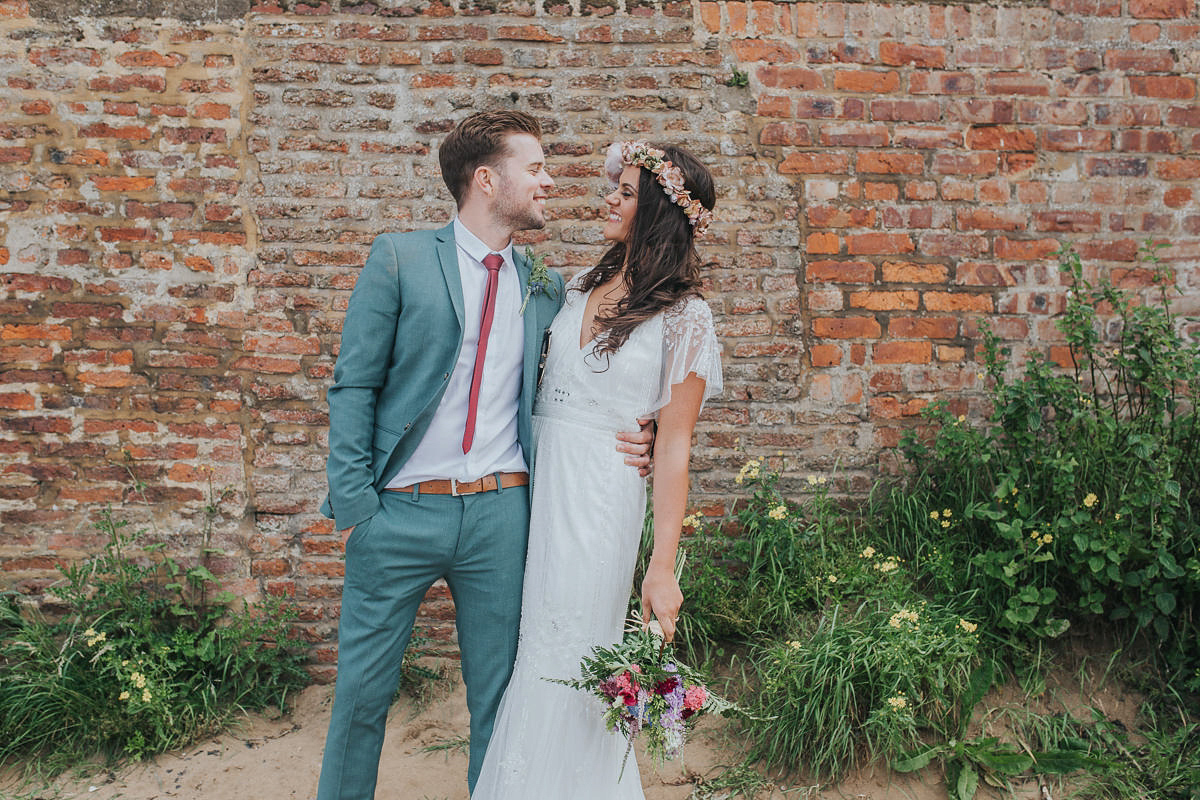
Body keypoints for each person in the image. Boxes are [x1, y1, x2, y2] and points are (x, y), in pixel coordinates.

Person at [316, 111, 653, 800]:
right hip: (398, 515)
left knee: (500, 703)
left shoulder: (548, 286)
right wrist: (356, 510)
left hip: (503, 517)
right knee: (361, 698)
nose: (549, 181)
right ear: (485, 178)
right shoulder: (400, 258)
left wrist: (639, 425)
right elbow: (353, 386)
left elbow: (588, 375)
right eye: (535, 168)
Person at [471, 141, 721, 799]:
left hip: (602, 498)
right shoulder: (578, 285)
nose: (609, 195)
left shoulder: (687, 317)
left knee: (579, 655)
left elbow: (673, 447)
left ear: (662, 212)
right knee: (537, 651)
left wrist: (661, 565)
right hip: (542, 488)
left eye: (628, 190)